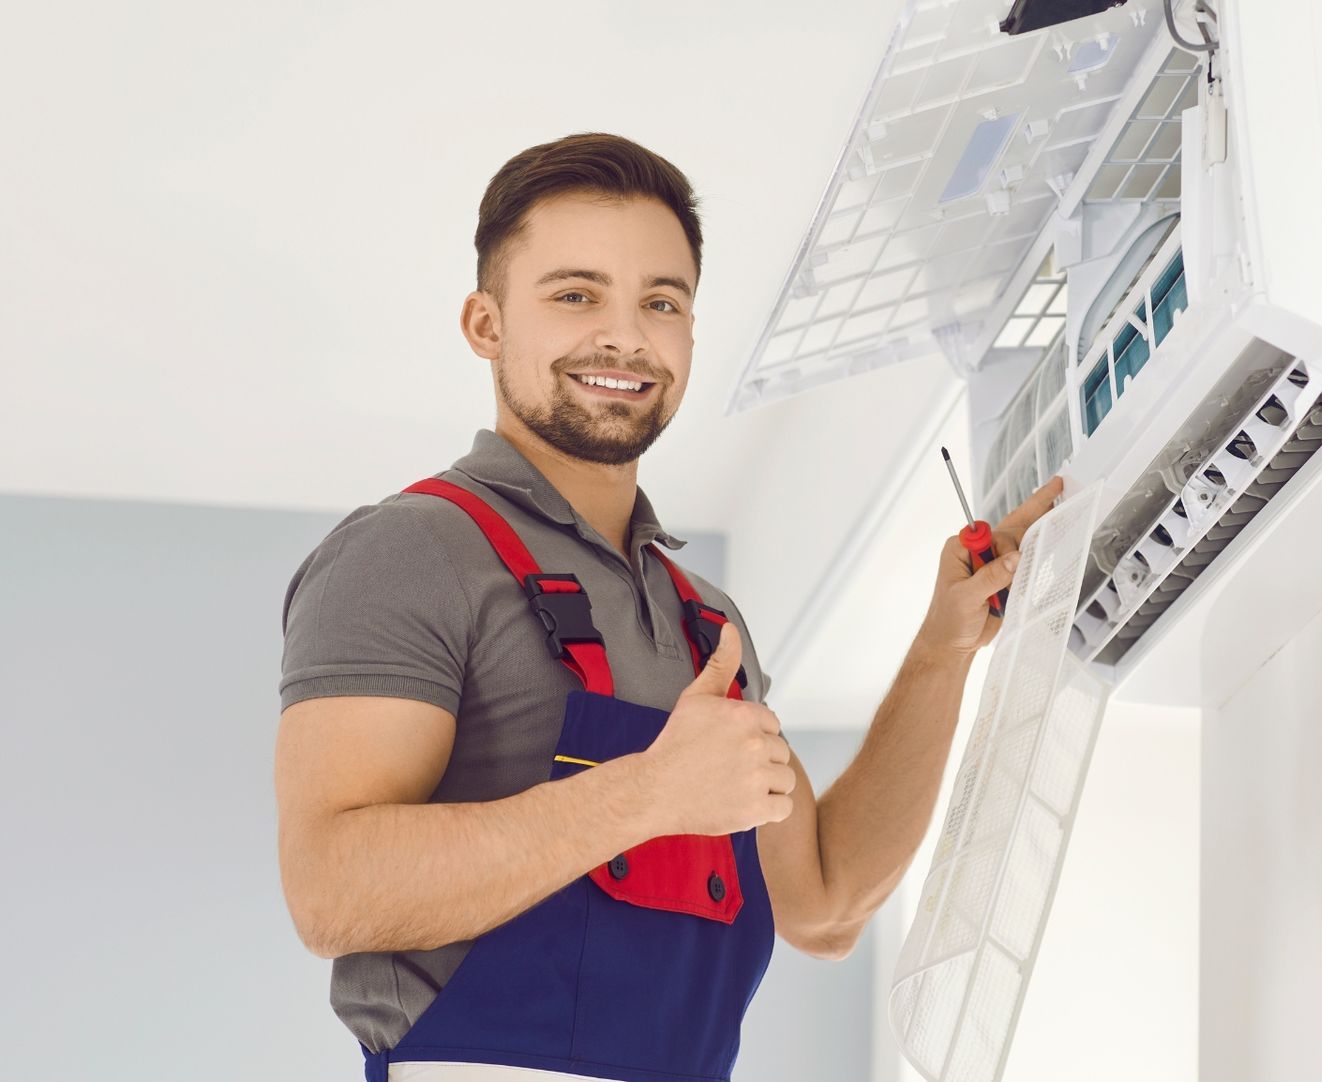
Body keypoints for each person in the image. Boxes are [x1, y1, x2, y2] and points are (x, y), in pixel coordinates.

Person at [273, 131, 1064, 1082]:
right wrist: (648, 793)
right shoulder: (410, 552)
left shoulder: (706, 622)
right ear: (486, 324)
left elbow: (825, 904)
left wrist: (944, 650)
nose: (625, 335)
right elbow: (331, 893)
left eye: (662, 302)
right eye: (575, 295)